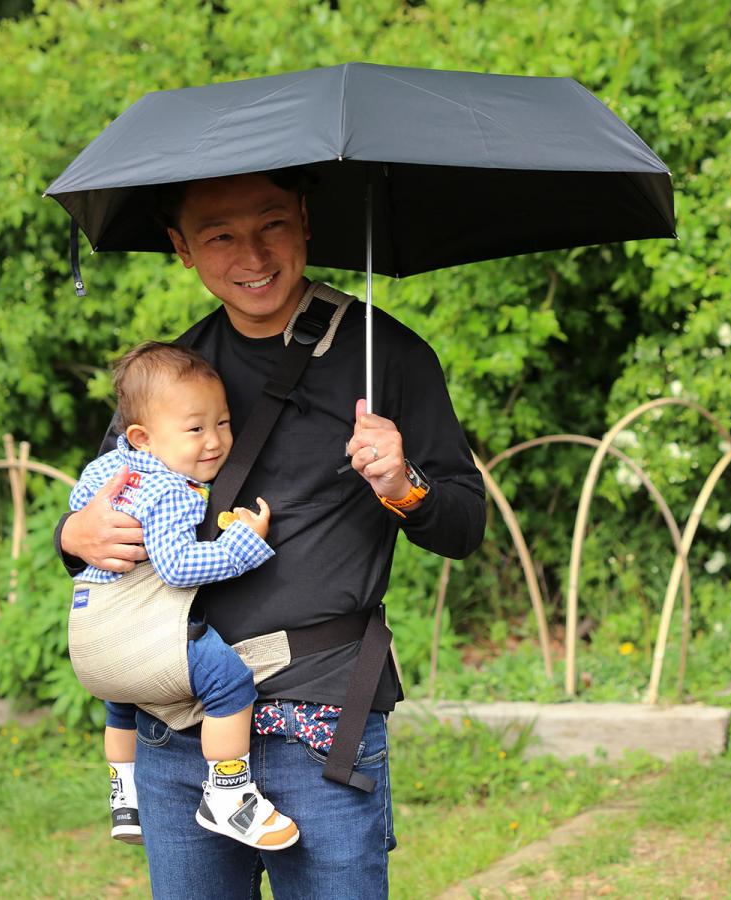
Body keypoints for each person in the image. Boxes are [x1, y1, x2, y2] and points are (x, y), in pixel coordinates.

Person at [55, 170, 486, 899]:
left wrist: (402, 484)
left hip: (319, 716)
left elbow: (464, 525)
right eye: (220, 235)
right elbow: (99, 522)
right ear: (182, 247)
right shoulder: (173, 377)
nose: (252, 255)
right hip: (178, 717)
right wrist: (74, 534)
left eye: (272, 224)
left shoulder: (389, 357)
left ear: (306, 219)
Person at [68, 341, 299, 851]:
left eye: (223, 423)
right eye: (195, 429)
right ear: (142, 437)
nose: (215, 440)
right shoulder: (171, 490)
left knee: (126, 700)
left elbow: (83, 519)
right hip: (149, 631)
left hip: (93, 635)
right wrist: (242, 544)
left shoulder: (105, 471)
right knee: (228, 682)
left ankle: (124, 794)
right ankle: (228, 793)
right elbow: (177, 568)